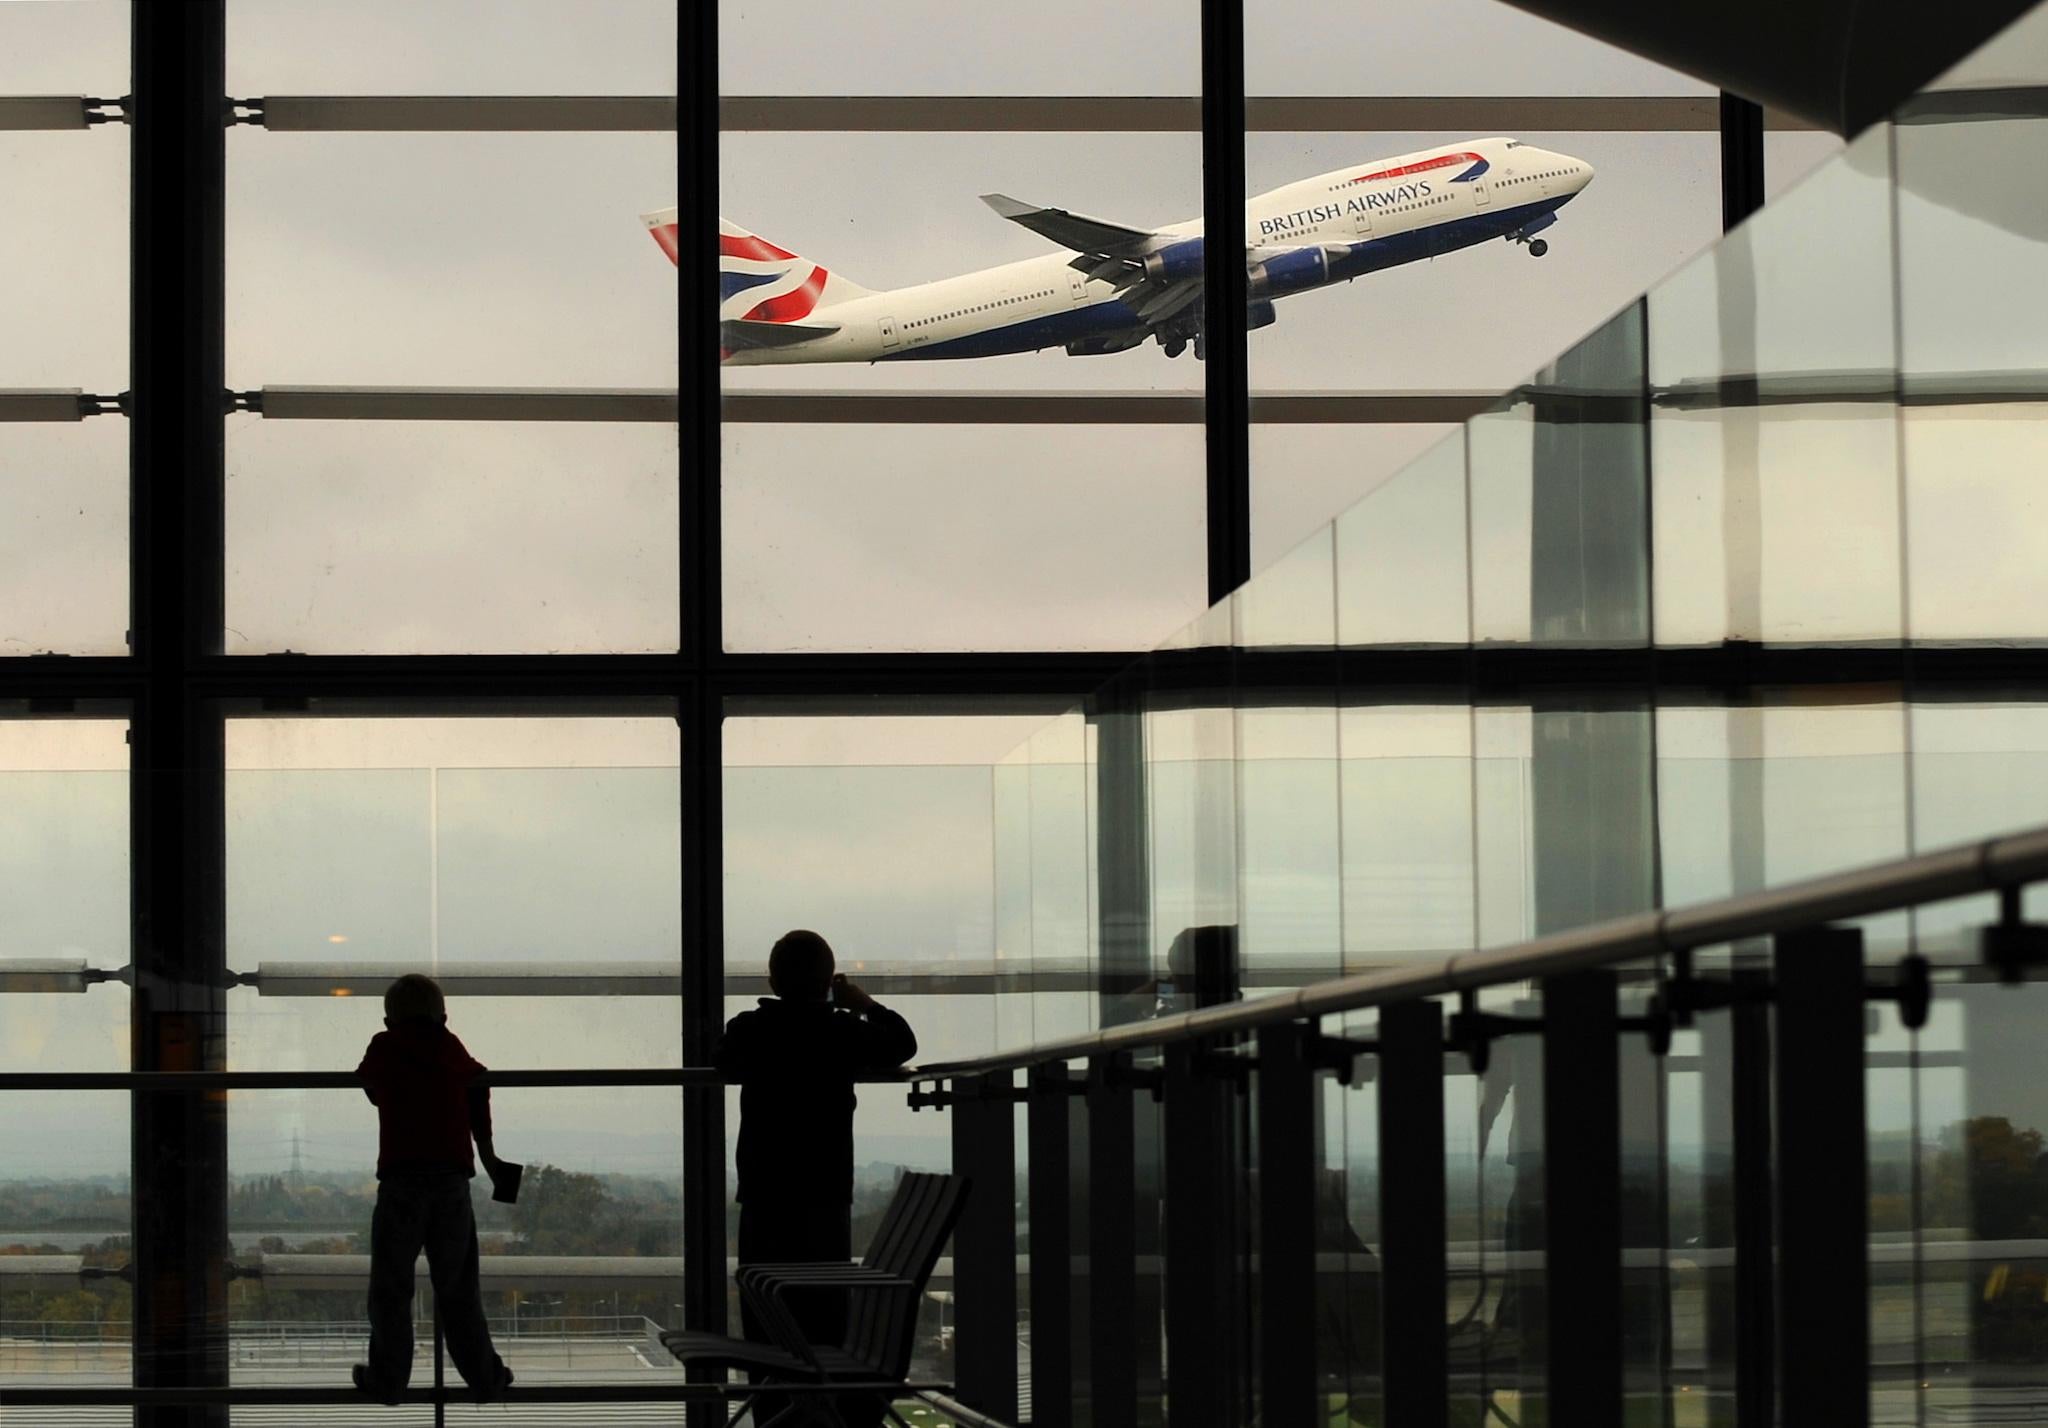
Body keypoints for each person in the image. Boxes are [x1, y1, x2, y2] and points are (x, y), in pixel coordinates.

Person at [717, 930, 918, 1422]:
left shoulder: (750, 1030)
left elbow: (723, 1057)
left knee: (767, 1328)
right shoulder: (844, 1031)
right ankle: (822, 1419)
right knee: (823, 1324)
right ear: (829, 982)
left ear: (771, 979)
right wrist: (862, 1003)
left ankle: (774, 1417)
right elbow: (903, 1043)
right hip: (825, 1199)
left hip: (764, 1197)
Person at [352, 973, 514, 1405]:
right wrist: (489, 1155)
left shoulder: (385, 1046)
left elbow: (370, 1088)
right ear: (443, 1016)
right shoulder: (451, 1046)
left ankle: (388, 1378)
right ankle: (485, 1378)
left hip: (402, 1181)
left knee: (391, 1287)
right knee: (459, 1288)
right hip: (450, 1183)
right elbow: (478, 1086)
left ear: (389, 1020)